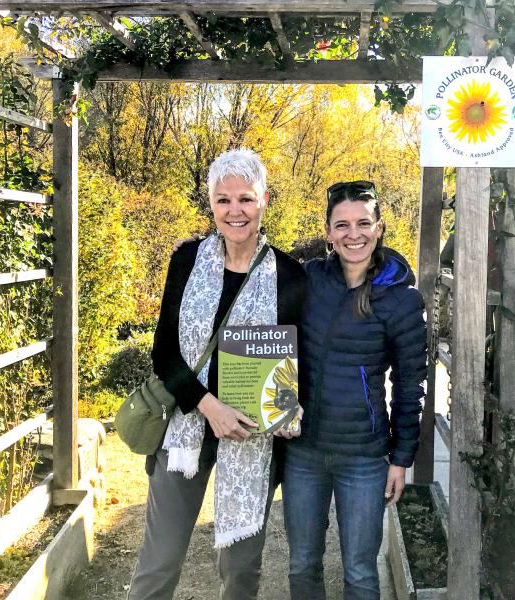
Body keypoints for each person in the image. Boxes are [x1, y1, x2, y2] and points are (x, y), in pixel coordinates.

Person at [127, 148, 306, 600]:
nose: (235, 211)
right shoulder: (187, 260)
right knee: (159, 560)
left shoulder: (289, 275)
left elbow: (297, 357)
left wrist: (290, 408)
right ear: (211, 204)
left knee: (241, 570)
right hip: (185, 427)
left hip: (252, 437)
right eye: (223, 200)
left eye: (245, 198)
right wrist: (210, 407)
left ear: (264, 200)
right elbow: (164, 352)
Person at [283, 180, 427, 600]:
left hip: (363, 458)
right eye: (342, 225)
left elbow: (410, 384)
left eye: (363, 223)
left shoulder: (401, 299)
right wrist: (201, 250)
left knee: (361, 573)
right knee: (302, 564)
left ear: (379, 228)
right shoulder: (309, 280)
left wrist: (400, 459)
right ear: (328, 232)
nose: (354, 234)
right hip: (304, 452)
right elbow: (261, 305)